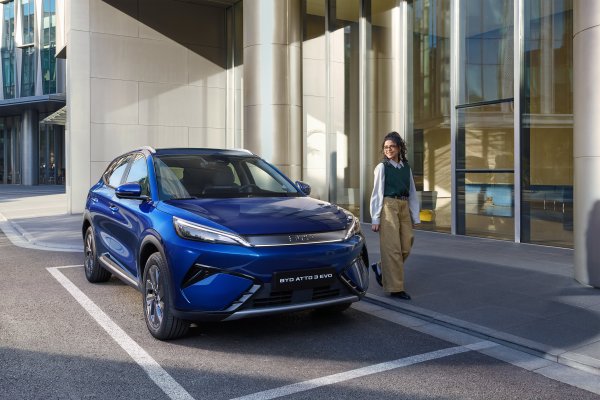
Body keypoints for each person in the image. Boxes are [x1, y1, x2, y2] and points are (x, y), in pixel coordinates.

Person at [370, 131, 420, 300]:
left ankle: (381, 267)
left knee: (406, 245)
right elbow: (376, 193)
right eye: (386, 147)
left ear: (399, 148)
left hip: (404, 206)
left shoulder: (406, 168)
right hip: (388, 206)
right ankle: (395, 288)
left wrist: (415, 216)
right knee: (392, 249)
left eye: (392, 146)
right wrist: (376, 218)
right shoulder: (382, 167)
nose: (388, 149)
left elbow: (412, 192)